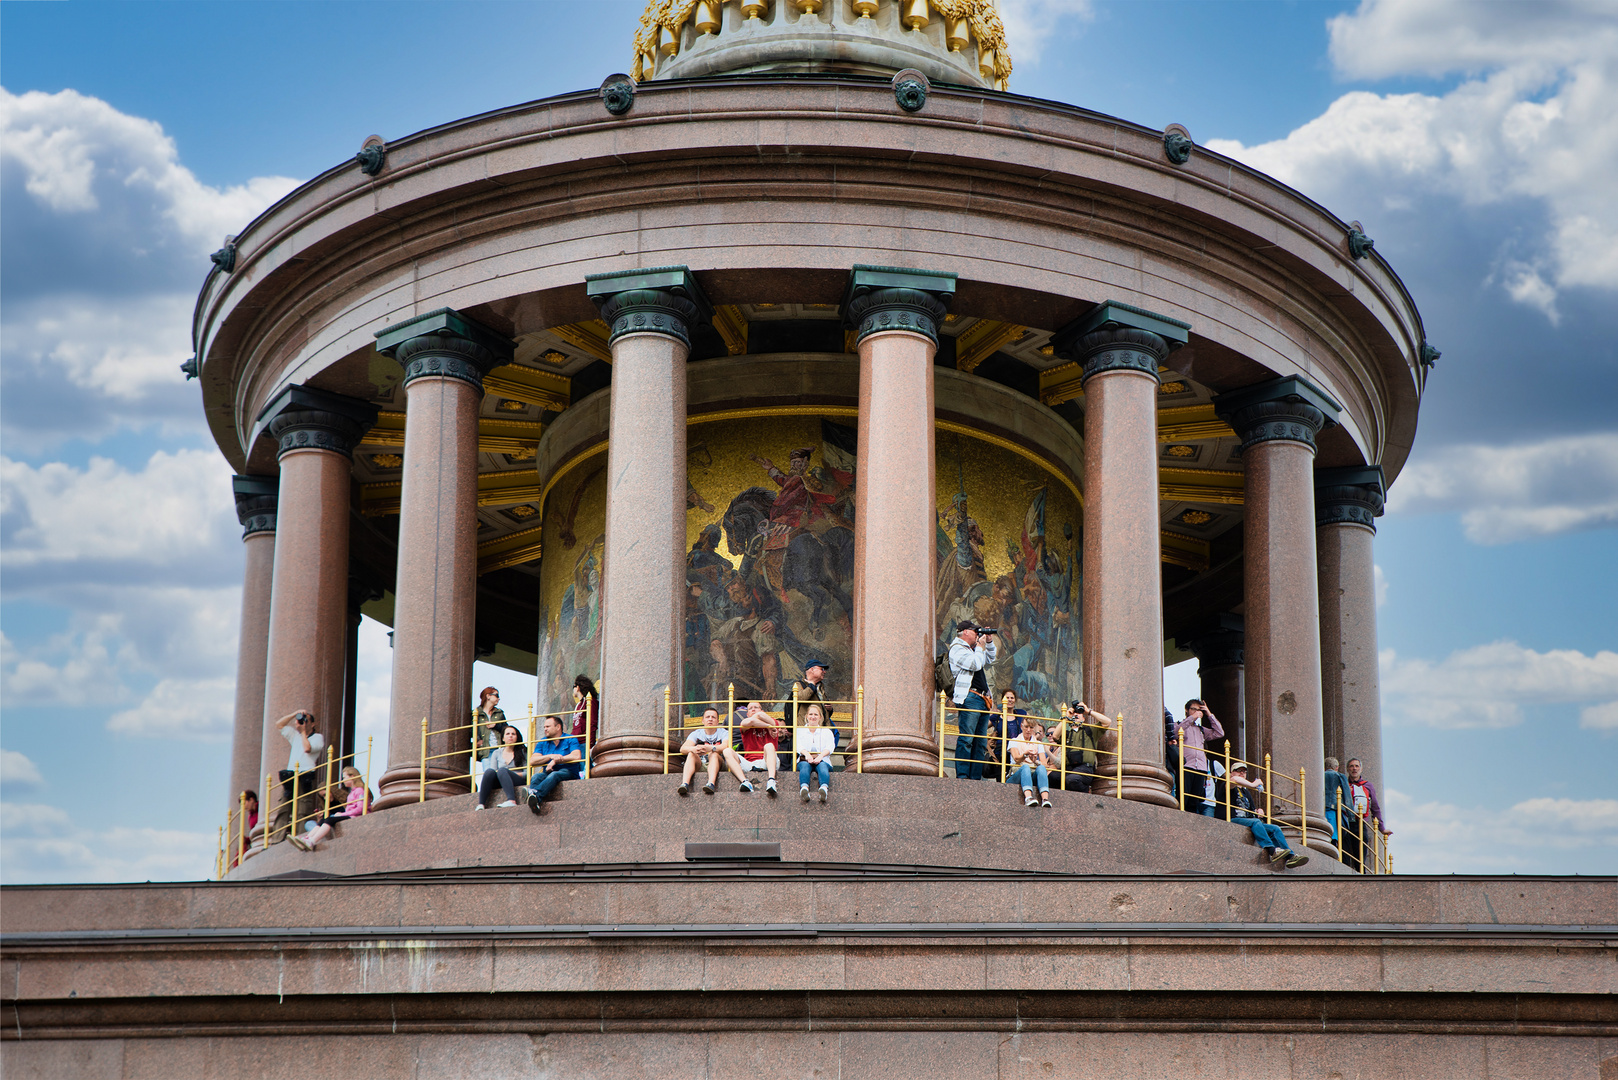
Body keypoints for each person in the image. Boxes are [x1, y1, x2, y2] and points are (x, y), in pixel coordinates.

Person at [1221, 763, 1308, 868]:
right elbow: (1234, 780)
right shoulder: (1227, 784)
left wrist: (1258, 812)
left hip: (1248, 821)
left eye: (1244, 771)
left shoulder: (1246, 792)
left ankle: (1290, 856)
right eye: (1238, 770)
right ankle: (1272, 850)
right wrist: (1254, 784)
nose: (1242, 773)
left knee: (1274, 828)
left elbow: (1251, 811)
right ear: (1231, 772)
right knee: (1256, 823)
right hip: (1232, 819)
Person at [947, 620, 998, 780]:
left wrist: (988, 642)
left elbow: (990, 659)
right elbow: (975, 664)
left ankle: (975, 778)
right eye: (975, 631)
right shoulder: (957, 649)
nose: (978, 634)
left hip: (983, 699)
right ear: (965, 632)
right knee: (967, 738)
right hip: (970, 697)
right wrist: (980, 647)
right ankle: (962, 775)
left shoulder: (973, 649)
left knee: (980, 742)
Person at [271, 709, 326, 841]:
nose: (302, 722)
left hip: (306, 776)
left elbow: (307, 749)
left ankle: (300, 836)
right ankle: (277, 840)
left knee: (302, 810)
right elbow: (279, 724)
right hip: (291, 776)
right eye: (300, 720)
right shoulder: (294, 735)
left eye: (305, 720)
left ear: (312, 724)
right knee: (284, 807)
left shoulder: (318, 738)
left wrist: (303, 732)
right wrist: (294, 714)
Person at [289, 767, 368, 850]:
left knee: (329, 819)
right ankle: (307, 839)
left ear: (352, 776)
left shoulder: (359, 790)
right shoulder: (352, 792)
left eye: (344, 777)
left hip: (354, 817)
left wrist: (342, 814)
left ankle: (312, 840)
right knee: (322, 820)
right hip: (349, 816)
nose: (343, 780)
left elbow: (361, 808)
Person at [1172, 699, 1225, 817]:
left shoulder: (1201, 729)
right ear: (1187, 710)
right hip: (1186, 766)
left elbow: (1219, 733)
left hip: (1201, 767)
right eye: (1194, 709)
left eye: (1198, 710)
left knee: (1194, 801)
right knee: (1183, 797)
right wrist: (1192, 718)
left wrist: (1208, 713)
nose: (1197, 712)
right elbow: (1175, 733)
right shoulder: (1180, 724)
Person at [677, 708, 746, 796]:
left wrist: (711, 748)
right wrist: (694, 749)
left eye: (713, 717)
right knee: (691, 753)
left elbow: (725, 746)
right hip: (701, 764)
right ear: (703, 721)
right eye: (707, 717)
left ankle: (711, 784)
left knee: (713, 754)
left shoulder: (724, 732)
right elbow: (683, 748)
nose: (710, 719)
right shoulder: (696, 733)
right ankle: (685, 784)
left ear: (717, 721)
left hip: (719, 764)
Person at [526, 714, 584, 814]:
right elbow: (532, 761)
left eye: (548, 726)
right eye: (544, 727)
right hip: (548, 773)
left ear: (558, 727)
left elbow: (576, 756)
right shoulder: (542, 742)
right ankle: (535, 802)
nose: (545, 729)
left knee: (555, 774)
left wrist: (557, 760)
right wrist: (551, 756)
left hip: (568, 772)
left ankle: (534, 793)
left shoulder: (570, 739)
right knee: (536, 777)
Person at [734, 700, 783, 797]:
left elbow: (759, 716)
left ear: (763, 711)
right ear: (747, 714)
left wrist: (765, 721)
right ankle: (744, 781)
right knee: (727, 751)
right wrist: (768, 726)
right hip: (750, 763)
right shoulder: (745, 723)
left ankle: (771, 780)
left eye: (756, 707)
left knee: (768, 746)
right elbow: (751, 721)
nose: (753, 709)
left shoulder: (773, 722)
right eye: (750, 708)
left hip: (768, 762)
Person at [474, 724, 528, 809]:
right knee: (489, 771)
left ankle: (511, 800)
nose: (510, 736)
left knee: (502, 770)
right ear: (503, 738)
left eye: (513, 734)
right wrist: (504, 775)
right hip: (500, 779)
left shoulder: (523, 752)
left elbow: (527, 773)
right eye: (507, 734)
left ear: (517, 737)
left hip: (517, 780)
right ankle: (481, 804)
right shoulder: (497, 753)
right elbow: (493, 771)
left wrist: (508, 774)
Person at [1007, 721, 1053, 807]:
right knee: (1025, 767)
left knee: (1041, 768)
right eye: (1026, 727)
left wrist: (1035, 761)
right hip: (1016, 775)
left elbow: (1044, 764)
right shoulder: (1014, 741)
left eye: (1031, 727)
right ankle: (1028, 798)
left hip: (1032, 775)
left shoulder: (1038, 744)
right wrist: (1025, 754)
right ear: (1021, 726)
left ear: (1034, 729)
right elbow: (1016, 758)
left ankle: (1045, 799)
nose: (1028, 730)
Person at [797, 702, 836, 803]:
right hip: (805, 758)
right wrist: (807, 755)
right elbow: (798, 745)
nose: (813, 717)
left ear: (820, 717)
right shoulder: (800, 731)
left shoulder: (826, 731)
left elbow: (830, 746)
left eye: (815, 714)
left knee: (823, 767)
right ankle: (804, 789)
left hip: (822, 759)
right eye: (810, 714)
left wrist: (821, 756)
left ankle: (824, 789)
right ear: (806, 716)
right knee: (805, 767)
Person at [988, 689, 1027, 779]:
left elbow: (1032, 725)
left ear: (1015, 700)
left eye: (1012, 698)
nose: (1009, 700)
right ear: (1002, 700)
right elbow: (982, 728)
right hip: (1000, 753)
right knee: (1001, 779)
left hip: (1018, 753)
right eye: (1007, 697)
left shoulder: (1021, 714)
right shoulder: (996, 716)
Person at [1323, 757, 1354, 843]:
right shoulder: (1340, 776)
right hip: (1335, 806)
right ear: (1337, 767)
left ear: (1324, 767)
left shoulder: (1320, 775)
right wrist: (1351, 815)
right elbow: (1347, 796)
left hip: (1322, 805)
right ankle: (1334, 840)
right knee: (1333, 826)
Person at [232, 791, 259, 867]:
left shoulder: (262, 808)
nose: (244, 807)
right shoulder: (250, 816)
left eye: (244, 803)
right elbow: (254, 834)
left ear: (251, 800)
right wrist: (245, 840)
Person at [570, 675, 598, 746]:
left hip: (584, 743)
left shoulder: (590, 701)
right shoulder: (579, 705)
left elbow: (592, 723)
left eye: (574, 687)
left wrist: (590, 743)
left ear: (578, 687)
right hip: (575, 743)